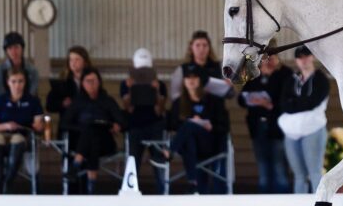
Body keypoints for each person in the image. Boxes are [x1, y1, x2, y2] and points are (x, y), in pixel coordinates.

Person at [238, 39, 293, 196]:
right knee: (263, 169)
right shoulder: (254, 74)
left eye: (271, 56)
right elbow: (241, 99)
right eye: (264, 57)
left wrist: (271, 105)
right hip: (258, 128)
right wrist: (253, 99)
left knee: (279, 168)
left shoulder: (285, 74)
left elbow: (287, 100)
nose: (267, 60)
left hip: (278, 129)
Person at [164, 66, 229, 194]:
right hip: (189, 147)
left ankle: (170, 151)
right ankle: (194, 182)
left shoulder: (212, 100)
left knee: (190, 126)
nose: (191, 80)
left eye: (195, 77)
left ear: (200, 80)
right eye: (188, 77)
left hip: (210, 143)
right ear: (184, 81)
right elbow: (171, 125)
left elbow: (224, 126)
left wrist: (211, 126)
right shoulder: (178, 102)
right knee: (189, 135)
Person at [61, 67, 126, 194]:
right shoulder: (78, 102)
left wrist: (117, 125)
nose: (91, 84)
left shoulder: (107, 101)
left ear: (99, 82)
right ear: (82, 83)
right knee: (91, 135)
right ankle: (91, 193)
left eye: (93, 81)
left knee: (93, 132)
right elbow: (64, 123)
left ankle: (75, 165)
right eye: (87, 81)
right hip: (86, 143)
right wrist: (82, 128)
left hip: (105, 143)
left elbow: (123, 121)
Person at [278, 46, 330, 195]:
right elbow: (283, 103)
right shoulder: (292, 80)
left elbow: (313, 102)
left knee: (314, 171)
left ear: (312, 57)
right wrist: (301, 103)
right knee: (299, 175)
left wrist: (294, 103)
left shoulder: (321, 79)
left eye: (307, 56)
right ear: (296, 60)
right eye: (300, 57)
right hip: (291, 130)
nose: (304, 60)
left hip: (313, 129)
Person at [0, 68, 44, 194]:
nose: (17, 85)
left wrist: (39, 126)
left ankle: (8, 182)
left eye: (20, 81)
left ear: (25, 83)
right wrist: (6, 125)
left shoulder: (33, 101)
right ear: (8, 82)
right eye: (14, 81)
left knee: (17, 139)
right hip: (1, 134)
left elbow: (39, 125)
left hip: (22, 136)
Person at [120, 48, 167, 194]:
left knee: (158, 161)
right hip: (135, 126)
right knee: (133, 161)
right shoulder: (125, 84)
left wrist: (157, 91)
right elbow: (128, 108)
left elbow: (159, 110)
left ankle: (162, 194)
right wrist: (129, 91)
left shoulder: (160, 84)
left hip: (155, 125)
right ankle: (131, 194)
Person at [170, 31, 232, 102]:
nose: (201, 49)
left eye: (205, 45)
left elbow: (231, 95)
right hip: (191, 110)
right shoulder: (182, 69)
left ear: (209, 47)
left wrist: (228, 87)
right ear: (191, 47)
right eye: (198, 45)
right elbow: (175, 95)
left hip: (215, 110)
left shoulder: (219, 66)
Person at [0, 32, 39, 97]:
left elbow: (32, 94)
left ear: (22, 48)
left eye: (16, 47)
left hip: (28, 103)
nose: (13, 51)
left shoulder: (32, 70)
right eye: (10, 48)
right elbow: (0, 95)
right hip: (6, 104)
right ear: (6, 51)